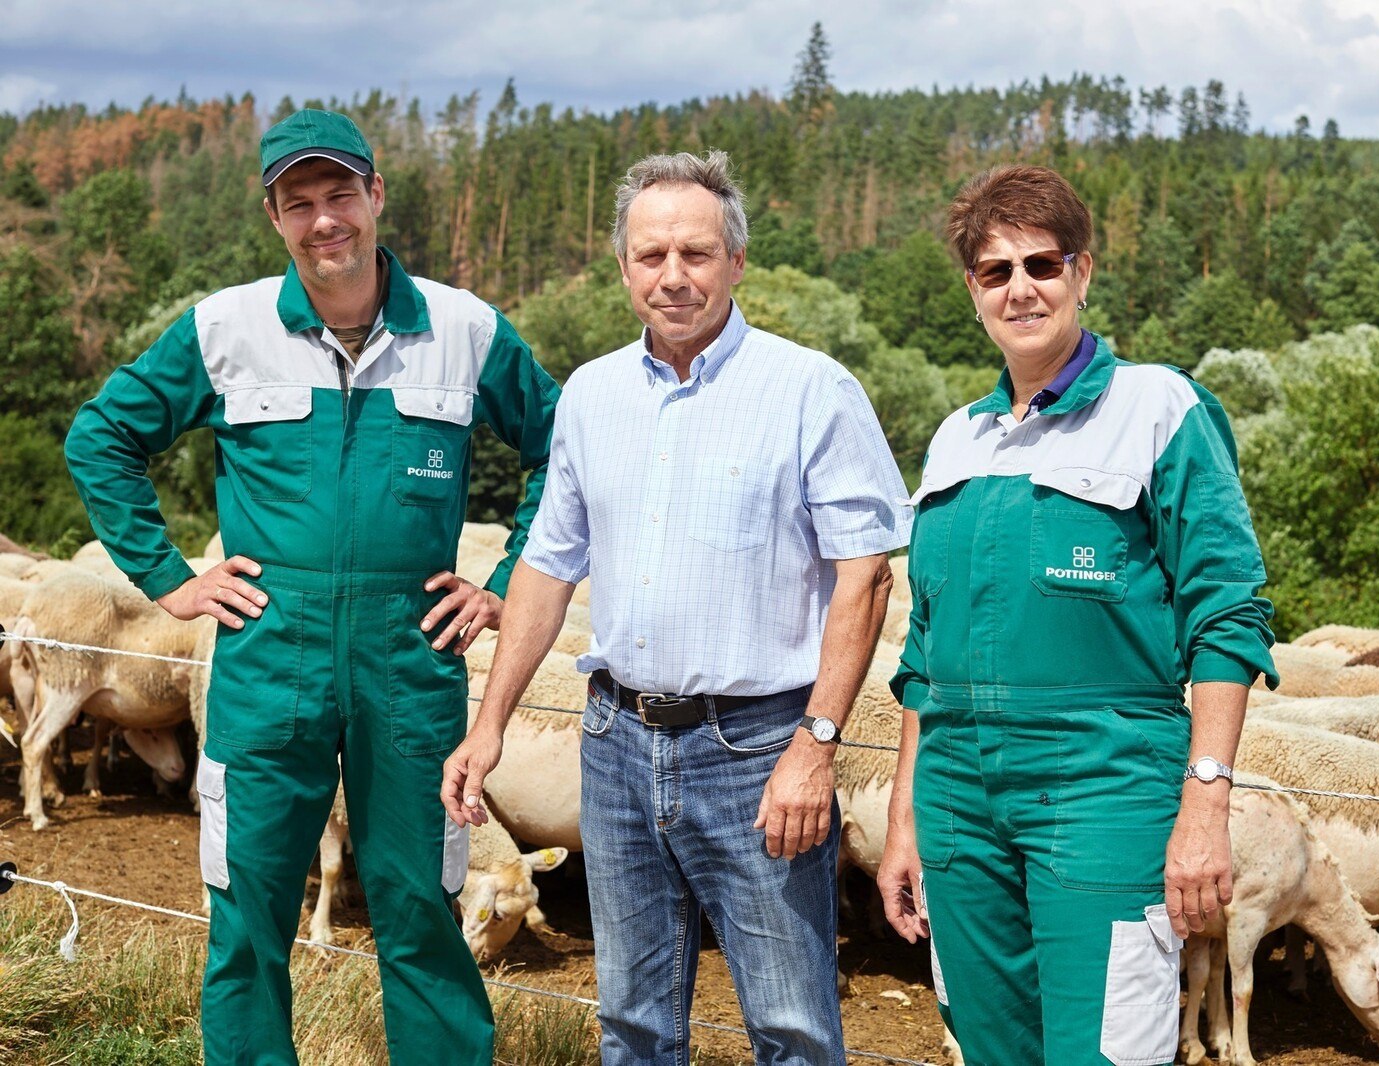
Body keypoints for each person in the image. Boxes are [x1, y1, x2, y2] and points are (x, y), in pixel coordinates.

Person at [64, 108, 560, 1066]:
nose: (324, 220)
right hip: (267, 647)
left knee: (421, 906)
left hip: (411, 652)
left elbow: (563, 451)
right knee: (248, 909)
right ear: (274, 217)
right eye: (299, 204)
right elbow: (102, 435)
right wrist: (167, 578)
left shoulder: (464, 328)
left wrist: (506, 580)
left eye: (340, 194)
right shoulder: (225, 327)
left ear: (376, 195)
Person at [441, 150, 909, 1066]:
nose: (674, 276)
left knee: (792, 1025)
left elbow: (867, 576)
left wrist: (815, 747)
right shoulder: (592, 393)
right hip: (615, 741)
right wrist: (488, 724)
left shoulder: (810, 389)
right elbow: (547, 566)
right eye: (651, 255)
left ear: (736, 262)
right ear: (624, 268)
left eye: (696, 253)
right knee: (633, 1021)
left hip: (759, 749)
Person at [874, 164, 1279, 1066]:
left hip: (1104, 788)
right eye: (995, 271)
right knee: (988, 1047)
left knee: (1104, 1051)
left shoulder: (1159, 407)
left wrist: (1205, 805)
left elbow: (1227, 611)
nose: (1020, 289)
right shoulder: (957, 440)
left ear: (1082, 272)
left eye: (1042, 264)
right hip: (957, 803)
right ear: (973, 291)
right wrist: (904, 821)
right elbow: (923, 651)